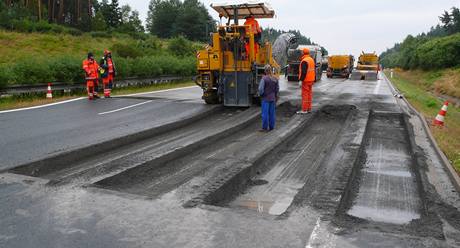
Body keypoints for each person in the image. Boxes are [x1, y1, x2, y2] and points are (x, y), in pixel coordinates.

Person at [258, 64, 279, 132]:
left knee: (265, 113)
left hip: (265, 99)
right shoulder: (275, 78)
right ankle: (271, 127)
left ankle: (264, 127)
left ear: (265, 71)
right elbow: (277, 89)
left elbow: (261, 89)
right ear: (271, 70)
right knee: (272, 113)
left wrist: (261, 95)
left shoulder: (264, 79)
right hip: (272, 99)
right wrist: (275, 96)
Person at [298, 48, 316, 114]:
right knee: (309, 94)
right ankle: (308, 108)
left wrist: (301, 80)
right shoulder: (311, 59)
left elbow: (304, 72)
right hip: (311, 80)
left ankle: (304, 110)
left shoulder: (304, 61)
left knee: (305, 95)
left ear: (303, 53)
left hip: (306, 80)